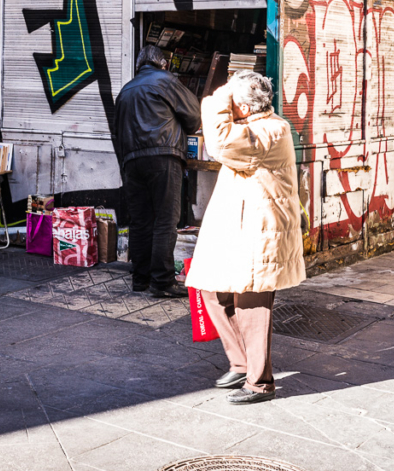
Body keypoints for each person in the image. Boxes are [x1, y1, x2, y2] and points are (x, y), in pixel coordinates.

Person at [185, 70, 306, 404]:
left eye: (231, 100)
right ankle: (240, 363)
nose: (227, 105)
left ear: (242, 104)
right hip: (236, 229)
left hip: (259, 231)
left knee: (252, 304)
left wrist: (216, 96)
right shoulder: (253, 126)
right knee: (210, 287)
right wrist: (230, 94)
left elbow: (220, 142)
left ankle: (260, 381)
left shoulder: (271, 129)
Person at [113, 45, 201, 298]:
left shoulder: (125, 90)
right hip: (163, 158)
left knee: (140, 221)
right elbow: (194, 117)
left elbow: (117, 131)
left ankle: (140, 279)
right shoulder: (166, 81)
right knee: (165, 220)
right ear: (162, 63)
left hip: (131, 161)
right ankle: (162, 282)